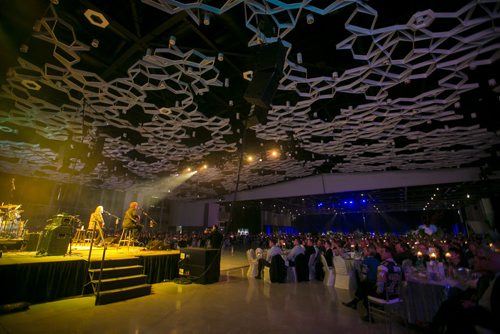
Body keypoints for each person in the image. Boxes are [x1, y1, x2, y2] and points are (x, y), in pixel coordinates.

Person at [342, 244, 380, 311]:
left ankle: (355, 303)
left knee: (361, 286)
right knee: (361, 288)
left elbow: (363, 275)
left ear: (368, 252)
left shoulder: (366, 261)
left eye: (364, 251)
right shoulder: (377, 261)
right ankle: (354, 303)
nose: (363, 252)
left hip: (369, 282)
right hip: (375, 282)